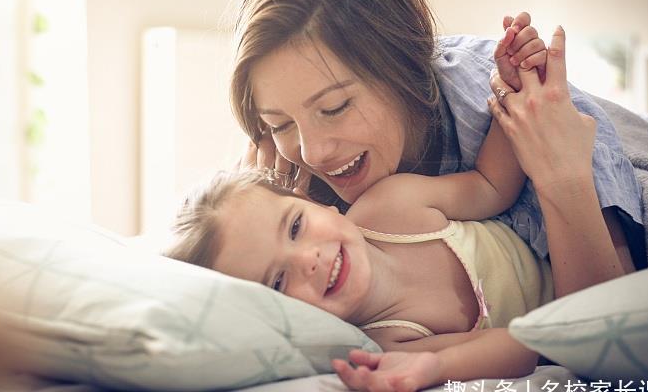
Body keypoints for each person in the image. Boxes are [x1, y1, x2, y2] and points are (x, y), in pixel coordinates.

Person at [165, 28, 620, 390]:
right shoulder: (383, 337)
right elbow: (523, 347)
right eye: (279, 282)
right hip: (566, 309)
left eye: (297, 226)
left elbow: (490, 187)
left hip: (564, 251)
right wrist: (431, 368)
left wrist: (512, 87)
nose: (310, 260)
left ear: (308, 199)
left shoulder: (389, 207)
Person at [230, 0, 646, 278]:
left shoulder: (510, 105)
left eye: (335, 107)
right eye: (280, 123)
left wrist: (562, 175)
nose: (313, 151)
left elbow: (607, 323)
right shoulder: (289, 186)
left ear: (404, 66)